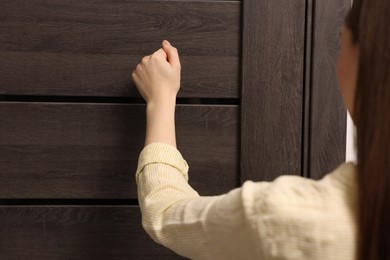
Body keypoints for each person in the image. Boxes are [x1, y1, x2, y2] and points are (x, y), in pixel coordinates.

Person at [131, 0, 390, 259]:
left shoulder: (291, 216)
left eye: (341, 39)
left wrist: (160, 101)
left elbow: (165, 214)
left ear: (365, 59)